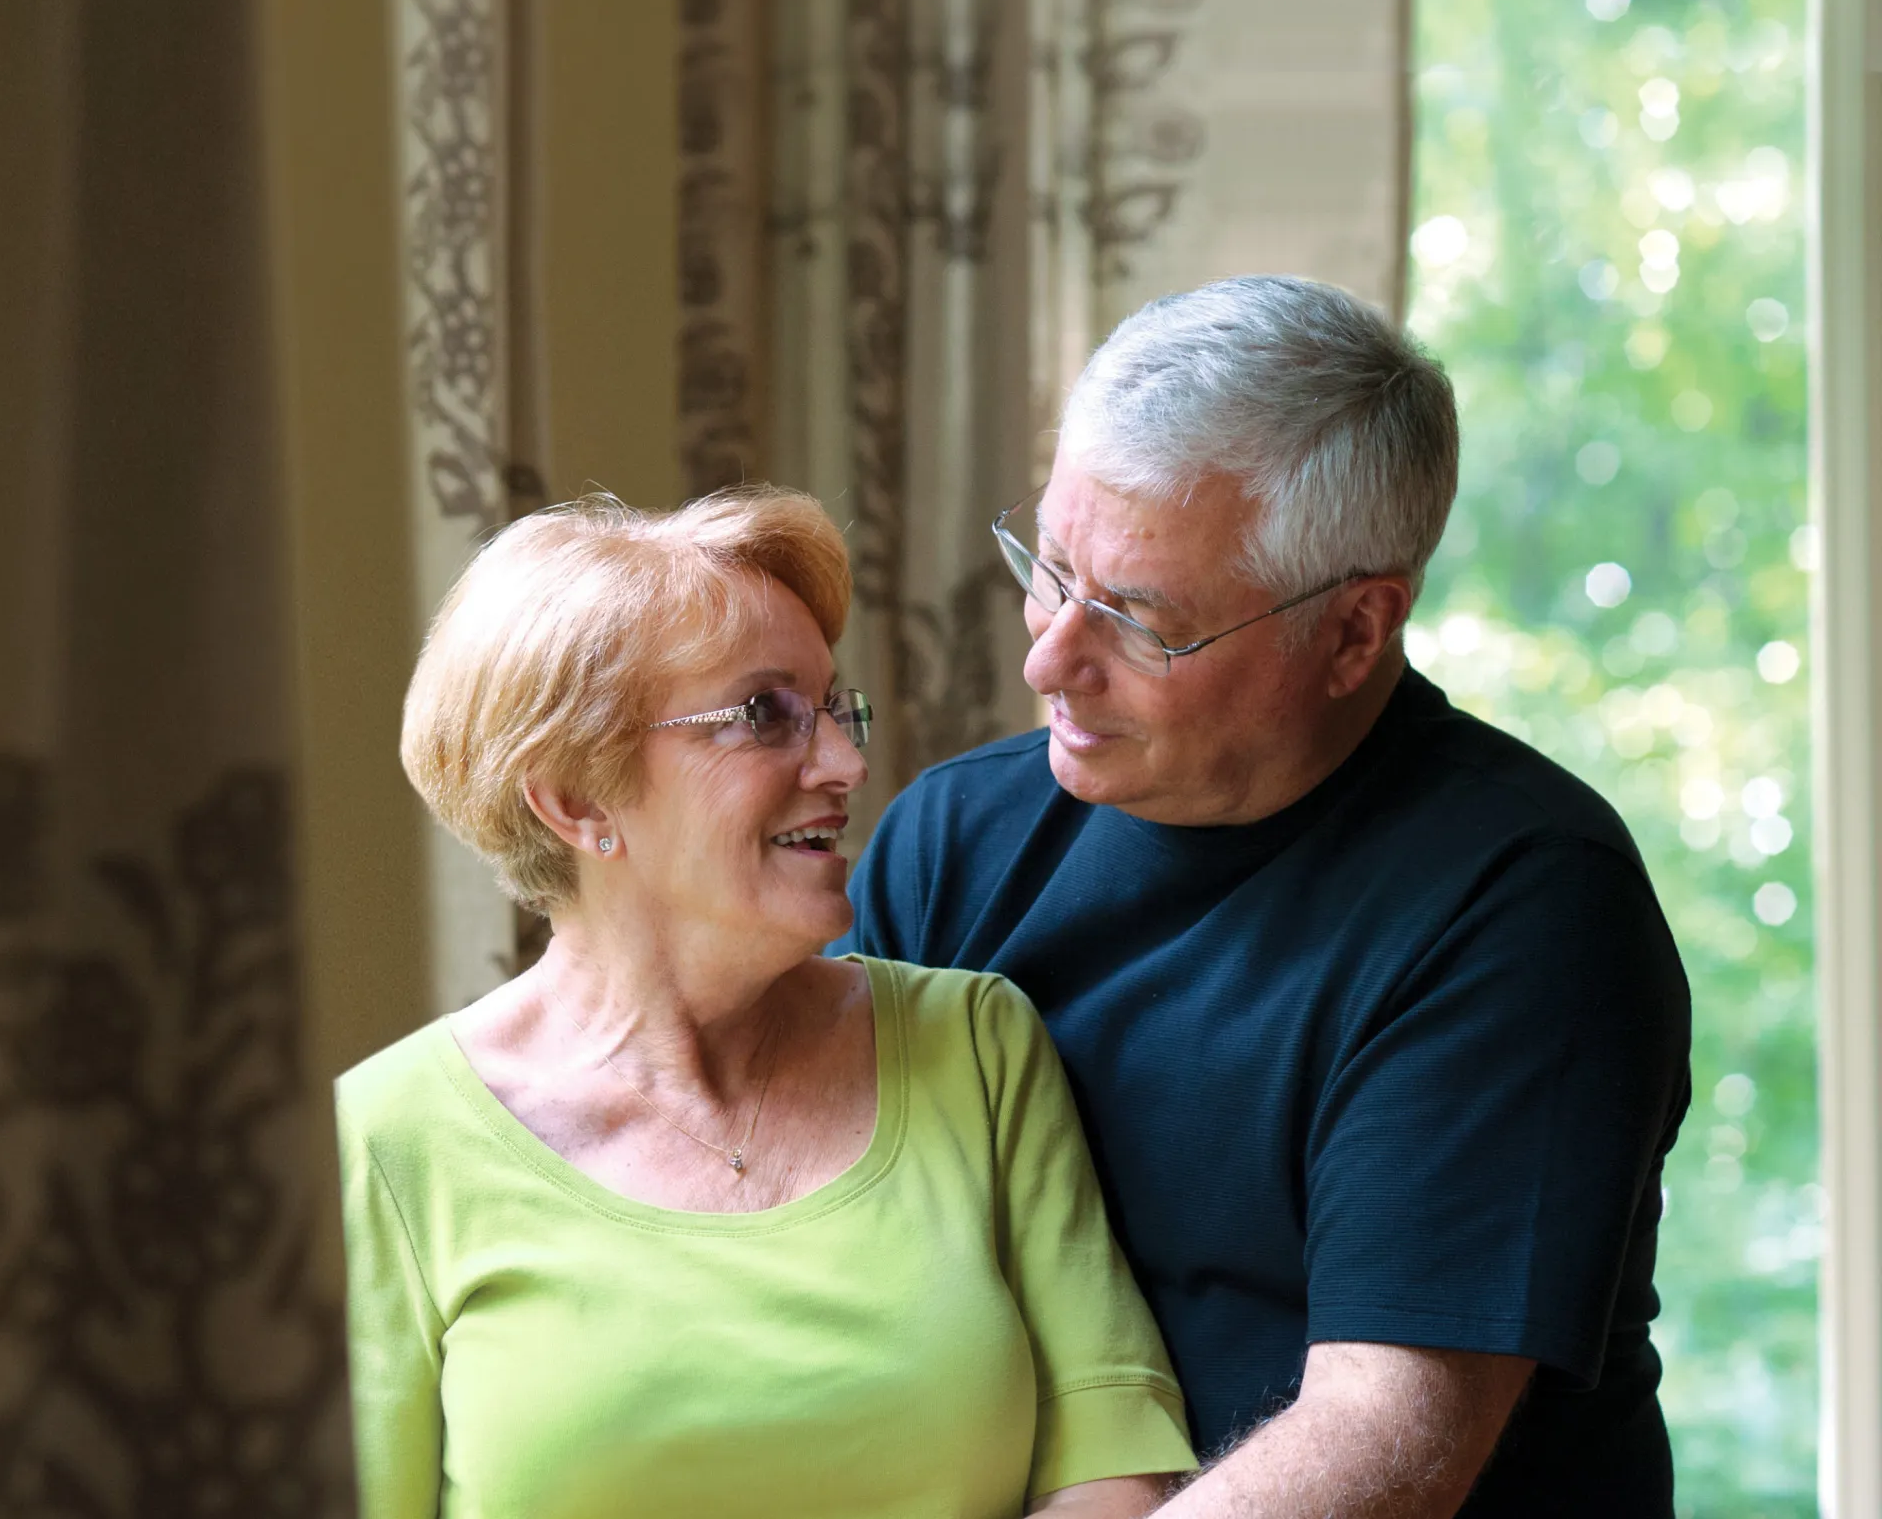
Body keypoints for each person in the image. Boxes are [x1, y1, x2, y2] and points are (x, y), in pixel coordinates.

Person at [846, 275, 1693, 1517]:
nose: (1047, 659)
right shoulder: (953, 842)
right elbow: (829, 1266)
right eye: (1050, 567)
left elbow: (1382, 1447)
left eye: (1137, 620)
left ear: (1354, 632)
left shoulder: (1523, 907)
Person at [339, 487, 1200, 1518]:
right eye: (763, 716)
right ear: (575, 798)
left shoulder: (972, 1045)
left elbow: (1114, 1471)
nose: (845, 762)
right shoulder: (388, 1141)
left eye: (833, 708)